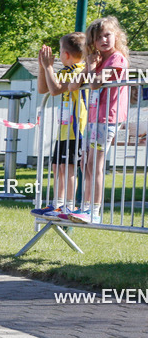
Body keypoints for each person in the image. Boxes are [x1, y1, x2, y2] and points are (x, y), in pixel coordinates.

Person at [68, 16, 129, 224]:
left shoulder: (116, 58)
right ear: (91, 43)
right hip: (94, 118)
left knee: (96, 164)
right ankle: (84, 207)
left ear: (116, 36)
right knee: (86, 163)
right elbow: (73, 86)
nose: (103, 40)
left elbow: (95, 85)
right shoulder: (97, 60)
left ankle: (94, 210)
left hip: (107, 117)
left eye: (107, 35)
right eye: (98, 38)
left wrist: (92, 70)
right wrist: (88, 65)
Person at [32, 33, 87, 221]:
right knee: (58, 166)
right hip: (63, 129)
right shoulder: (66, 70)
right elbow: (43, 88)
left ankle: (69, 205)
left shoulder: (79, 70)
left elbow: (55, 90)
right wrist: (42, 67)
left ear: (66, 54)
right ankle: (58, 203)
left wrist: (48, 66)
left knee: (68, 167)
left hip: (76, 128)